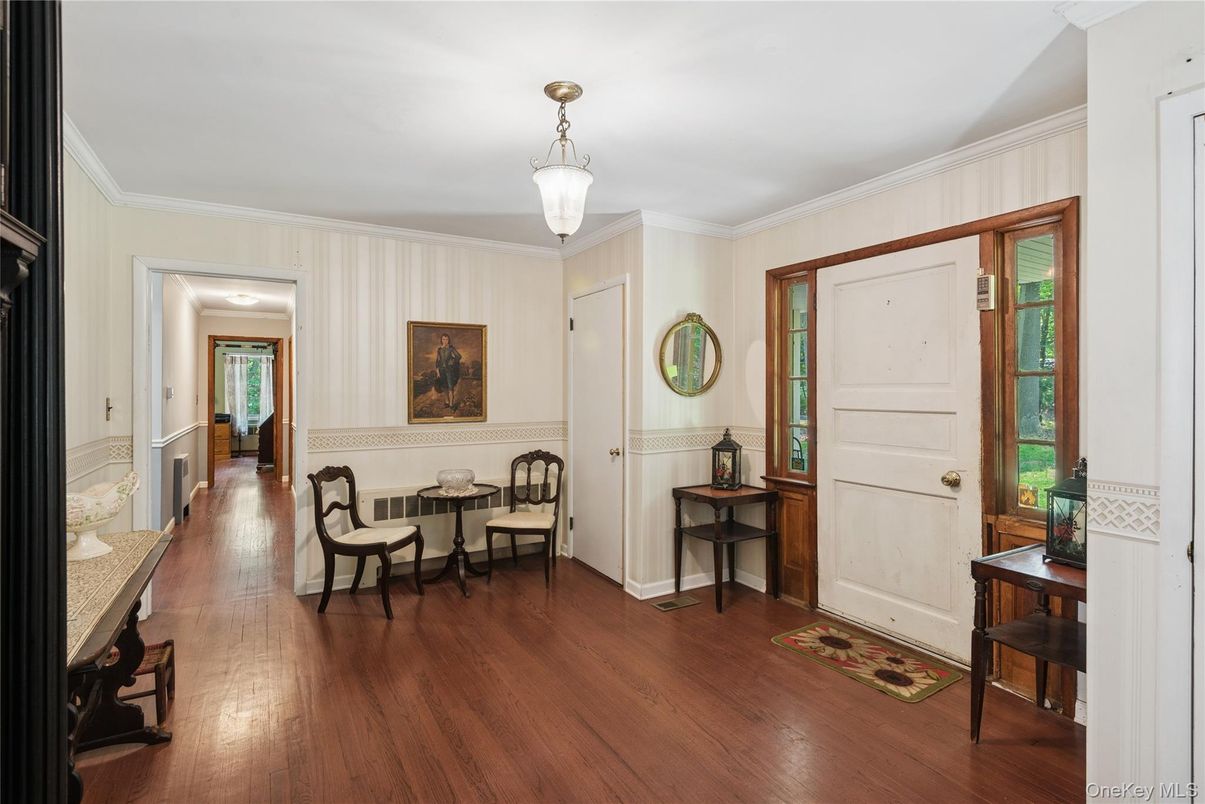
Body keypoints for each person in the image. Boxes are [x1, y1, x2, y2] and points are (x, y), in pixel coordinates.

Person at [435, 333, 462, 410]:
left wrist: (452, 361)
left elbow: (458, 356)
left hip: (450, 371)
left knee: (450, 387)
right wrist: (437, 371)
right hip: (441, 370)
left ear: (448, 340)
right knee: (444, 387)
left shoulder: (451, 348)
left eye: (446, 339)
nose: (445, 341)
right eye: (443, 339)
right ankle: (447, 402)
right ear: (441, 340)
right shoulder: (439, 349)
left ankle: (451, 404)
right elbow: (437, 361)